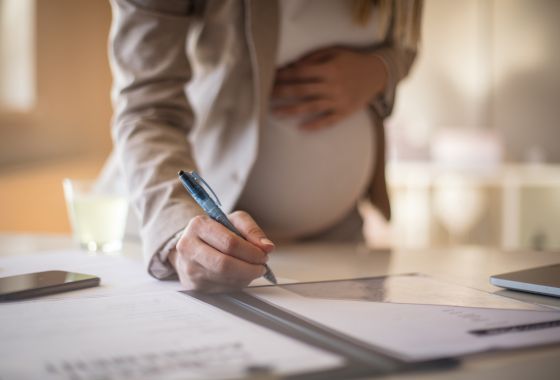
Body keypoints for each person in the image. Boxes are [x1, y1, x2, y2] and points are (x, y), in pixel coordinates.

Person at [101, 0, 422, 291]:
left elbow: (407, 41)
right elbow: (147, 108)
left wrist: (381, 69)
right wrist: (175, 227)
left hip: (338, 235)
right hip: (197, 237)